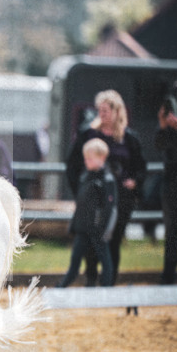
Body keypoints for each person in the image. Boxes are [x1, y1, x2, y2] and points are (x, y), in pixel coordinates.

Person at [66, 89, 146, 285]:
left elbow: (141, 167)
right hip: (93, 200)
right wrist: (81, 192)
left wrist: (134, 182)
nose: (101, 114)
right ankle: (91, 280)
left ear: (117, 111)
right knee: (91, 242)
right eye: (99, 110)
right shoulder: (88, 134)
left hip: (120, 200)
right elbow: (72, 165)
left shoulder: (129, 138)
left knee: (113, 241)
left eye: (106, 110)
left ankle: (109, 284)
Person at [57, 138, 118, 288]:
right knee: (75, 259)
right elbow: (81, 204)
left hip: (98, 230)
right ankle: (62, 286)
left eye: (90, 158)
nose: (86, 161)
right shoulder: (85, 177)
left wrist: (103, 229)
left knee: (105, 259)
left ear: (102, 158)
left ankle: (106, 288)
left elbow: (109, 208)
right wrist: (74, 225)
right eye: (85, 158)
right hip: (83, 228)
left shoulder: (107, 180)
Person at [155, 70, 177, 284]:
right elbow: (159, 146)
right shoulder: (173, 106)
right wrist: (164, 127)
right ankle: (168, 276)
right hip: (173, 178)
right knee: (171, 230)